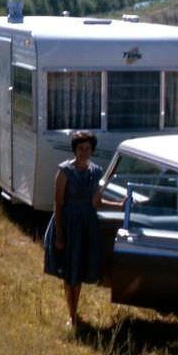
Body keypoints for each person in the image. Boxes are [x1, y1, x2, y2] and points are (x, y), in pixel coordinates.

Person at [43, 130, 124, 328]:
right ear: (74, 150)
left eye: (87, 149)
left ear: (92, 150)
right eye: (80, 148)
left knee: (78, 270)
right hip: (68, 224)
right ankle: (72, 314)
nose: (84, 152)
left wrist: (119, 205)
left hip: (87, 225)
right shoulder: (64, 172)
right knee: (69, 270)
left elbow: (96, 202)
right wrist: (60, 235)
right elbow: (58, 204)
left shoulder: (95, 172)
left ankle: (74, 311)